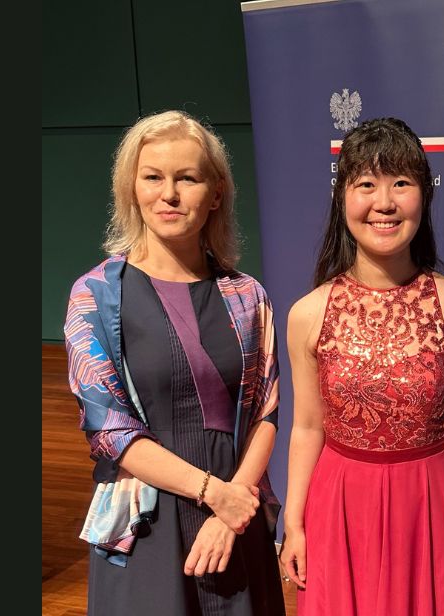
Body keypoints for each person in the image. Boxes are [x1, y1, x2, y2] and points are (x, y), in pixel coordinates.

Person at [64, 110, 285, 616]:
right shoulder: (94, 296)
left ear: (216, 193)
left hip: (234, 522)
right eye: (153, 177)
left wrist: (231, 507)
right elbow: (109, 432)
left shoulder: (247, 296)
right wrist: (214, 494)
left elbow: (266, 411)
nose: (169, 194)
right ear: (131, 188)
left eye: (187, 178)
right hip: (147, 526)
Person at [276, 117, 444, 615]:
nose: (385, 203)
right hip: (339, 509)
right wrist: (295, 522)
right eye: (366, 185)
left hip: (433, 509)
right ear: (342, 199)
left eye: (401, 183)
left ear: (424, 196)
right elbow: (307, 427)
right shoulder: (307, 314)